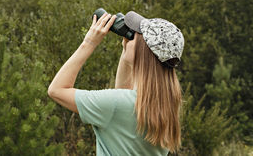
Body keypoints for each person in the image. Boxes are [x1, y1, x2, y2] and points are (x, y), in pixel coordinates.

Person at [48, 10, 184, 155]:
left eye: (134, 36)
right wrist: (127, 48)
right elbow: (123, 93)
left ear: (143, 50)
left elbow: (56, 90)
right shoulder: (166, 106)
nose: (129, 39)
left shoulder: (117, 105)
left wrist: (89, 42)